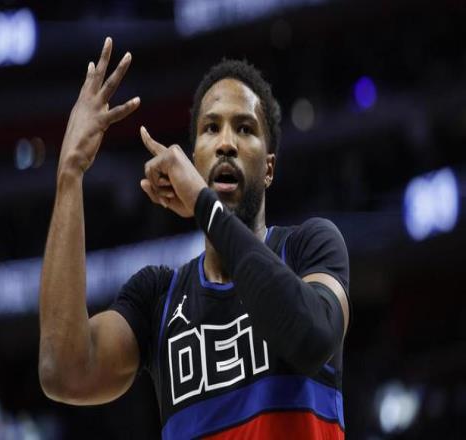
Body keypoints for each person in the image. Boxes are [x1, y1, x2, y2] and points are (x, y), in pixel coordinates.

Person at [39, 37, 351, 439]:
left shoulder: (309, 247)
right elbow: (64, 371)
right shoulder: (158, 297)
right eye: (210, 128)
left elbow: (313, 339)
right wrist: (70, 172)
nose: (226, 143)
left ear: (269, 169)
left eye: (245, 128)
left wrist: (204, 204)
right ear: (193, 160)